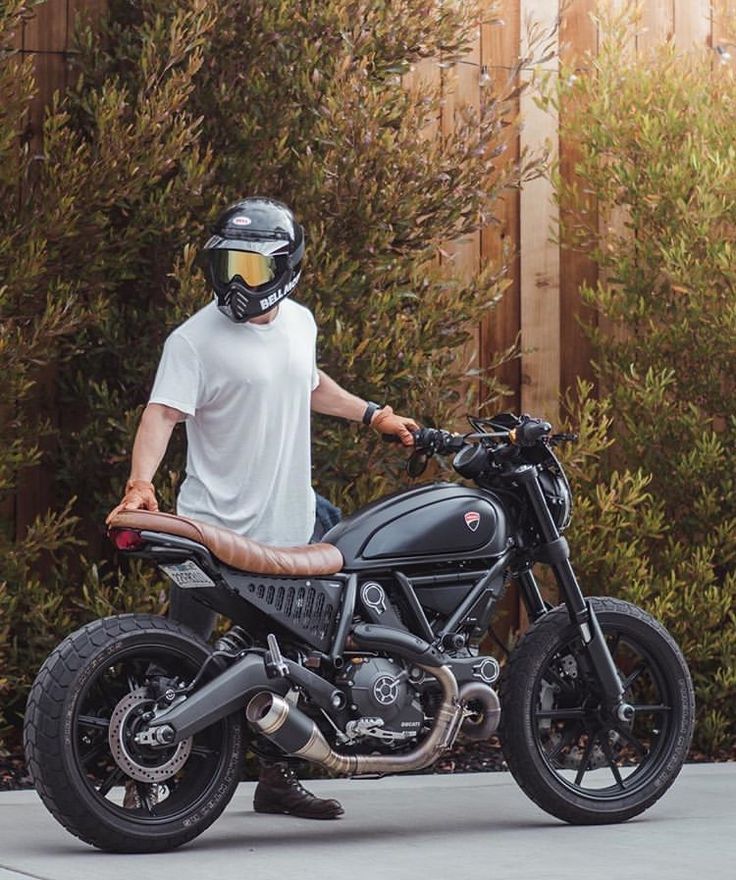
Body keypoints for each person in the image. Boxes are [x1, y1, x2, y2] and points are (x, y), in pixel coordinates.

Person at [107, 197, 418, 820]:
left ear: (286, 268)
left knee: (300, 658)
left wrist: (372, 415)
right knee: (181, 657)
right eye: (225, 267)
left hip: (295, 526)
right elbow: (162, 413)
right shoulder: (194, 341)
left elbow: (308, 381)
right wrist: (141, 481)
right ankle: (147, 779)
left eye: (249, 268)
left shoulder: (300, 322)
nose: (235, 282)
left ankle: (278, 780)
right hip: (212, 531)